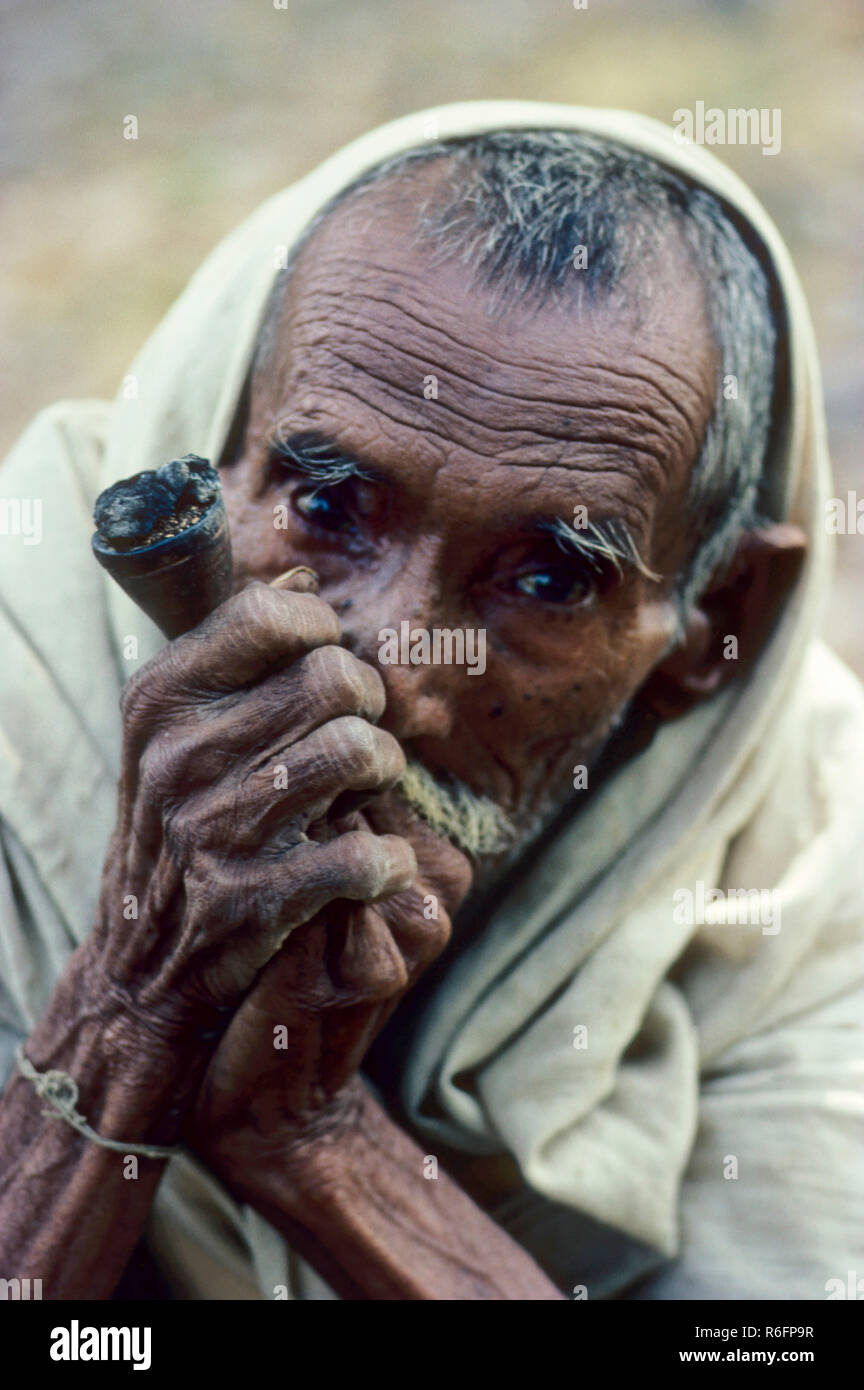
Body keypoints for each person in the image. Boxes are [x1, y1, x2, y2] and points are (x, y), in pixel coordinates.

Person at [0, 101, 861, 1301]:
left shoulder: (811, 864)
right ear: (215, 451)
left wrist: (315, 1146)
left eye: (549, 577)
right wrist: (128, 1009)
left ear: (714, 628)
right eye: (328, 505)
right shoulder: (19, 685)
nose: (394, 674)